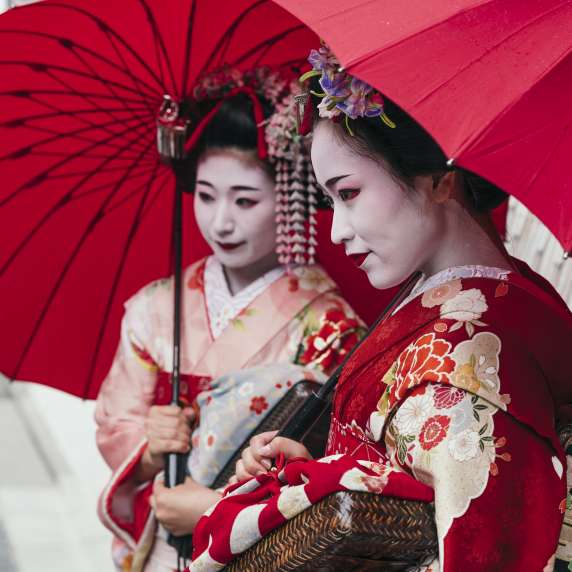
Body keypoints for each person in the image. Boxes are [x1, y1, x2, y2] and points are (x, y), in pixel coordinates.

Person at [190, 44, 572, 572]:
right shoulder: (487, 298)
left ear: (438, 177)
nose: (338, 231)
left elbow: (482, 551)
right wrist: (324, 474)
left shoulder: (469, 358)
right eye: (329, 201)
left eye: (349, 193)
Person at [95, 66, 364, 572]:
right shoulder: (155, 308)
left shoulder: (329, 326)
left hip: (258, 550)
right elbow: (116, 422)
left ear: (290, 197)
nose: (220, 221)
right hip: (165, 540)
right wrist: (151, 449)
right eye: (205, 194)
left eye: (244, 200)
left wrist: (216, 506)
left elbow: (330, 469)